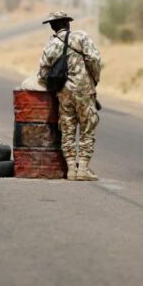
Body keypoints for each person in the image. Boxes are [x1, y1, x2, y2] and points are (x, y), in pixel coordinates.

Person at [38, 11, 102, 181]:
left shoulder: (50, 45)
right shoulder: (81, 37)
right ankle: (84, 169)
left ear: (52, 27)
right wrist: (94, 79)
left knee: (67, 129)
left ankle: (71, 169)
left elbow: (43, 73)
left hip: (63, 93)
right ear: (68, 24)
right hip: (84, 89)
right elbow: (94, 59)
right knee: (87, 127)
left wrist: (55, 87)